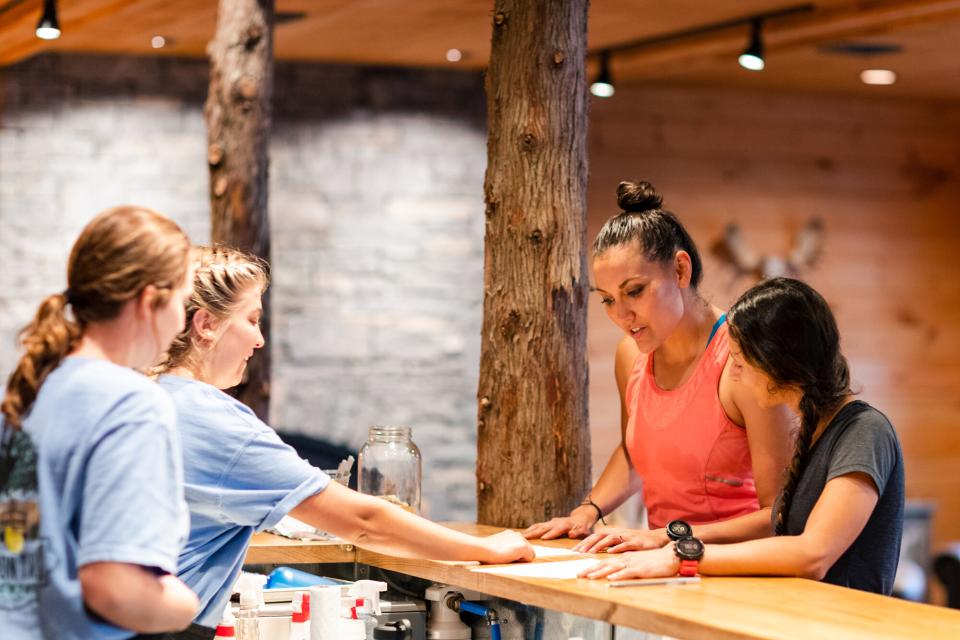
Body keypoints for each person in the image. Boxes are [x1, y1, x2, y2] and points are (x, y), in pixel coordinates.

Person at [152, 246, 533, 635]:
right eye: (251, 320)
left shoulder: (151, 398)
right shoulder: (217, 421)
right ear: (205, 324)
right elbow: (364, 521)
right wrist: (487, 549)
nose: (259, 340)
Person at [580, 277, 904, 594]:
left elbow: (813, 554)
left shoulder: (865, 431)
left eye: (738, 362)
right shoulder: (811, 432)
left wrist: (683, 555)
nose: (733, 374)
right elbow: (776, 523)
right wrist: (668, 537)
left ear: (777, 362)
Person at [524, 181, 795, 552]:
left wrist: (667, 537)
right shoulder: (629, 355)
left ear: (681, 271)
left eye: (634, 291)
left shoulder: (745, 359)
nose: (621, 315)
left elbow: (779, 516)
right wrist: (587, 512)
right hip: (662, 568)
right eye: (607, 300)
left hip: (740, 572)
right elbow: (635, 454)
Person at [0, 206, 199, 638]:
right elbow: (114, 589)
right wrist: (186, 604)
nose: (182, 321)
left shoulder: (33, 390)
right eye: (184, 302)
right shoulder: (132, 404)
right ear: (150, 301)